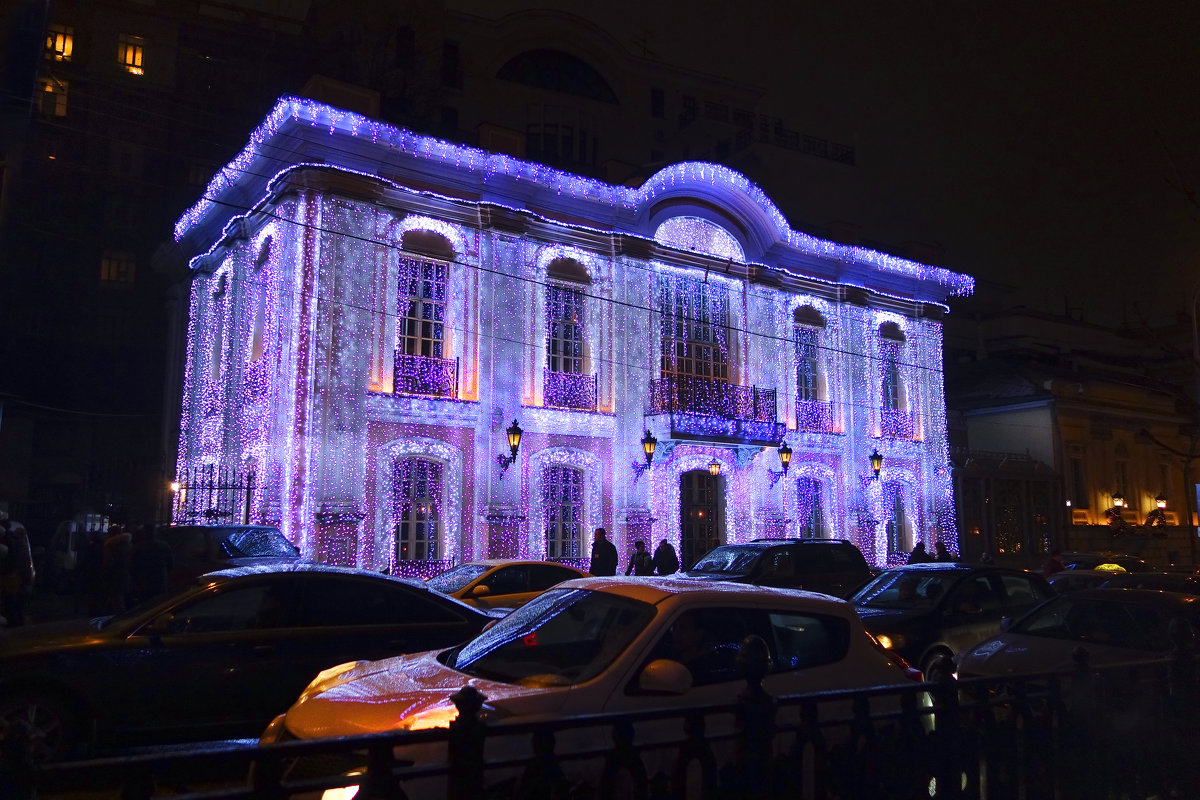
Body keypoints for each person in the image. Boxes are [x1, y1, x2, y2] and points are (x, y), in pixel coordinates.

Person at [0, 517, 35, 627]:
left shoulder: (9, 542)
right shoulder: (15, 541)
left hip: (10, 579)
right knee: (15, 606)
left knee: (12, 606)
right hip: (15, 579)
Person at [129, 524, 174, 605]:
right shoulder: (164, 546)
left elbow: (131, 566)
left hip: (143, 583)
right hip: (159, 582)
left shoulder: (138, 548)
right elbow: (170, 565)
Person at [100, 524, 133, 613]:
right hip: (126, 576)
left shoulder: (110, 546)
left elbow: (108, 563)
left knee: (117, 601)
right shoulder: (128, 545)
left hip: (114, 577)